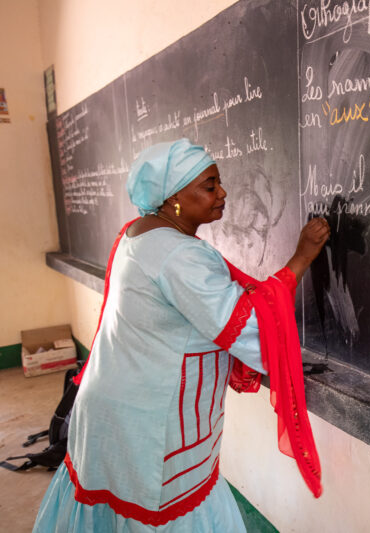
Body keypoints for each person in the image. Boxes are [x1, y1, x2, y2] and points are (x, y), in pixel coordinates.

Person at [33, 139, 330, 532]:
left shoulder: (138, 233)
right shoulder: (177, 256)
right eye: (209, 186)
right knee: (154, 512)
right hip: (149, 425)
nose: (222, 193)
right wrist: (302, 257)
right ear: (173, 196)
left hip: (115, 410)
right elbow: (250, 327)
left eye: (218, 182)